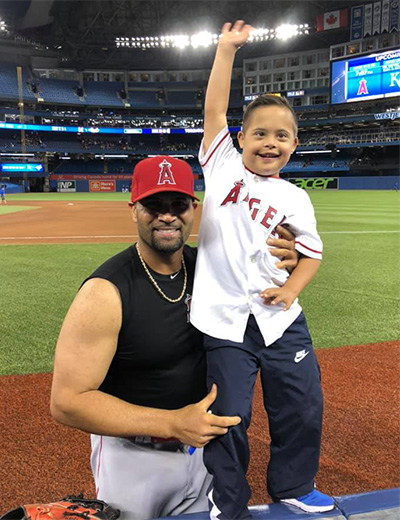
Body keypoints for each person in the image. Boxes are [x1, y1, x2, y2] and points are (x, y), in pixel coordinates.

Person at [50, 156, 299, 519]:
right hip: (133, 462)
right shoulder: (105, 292)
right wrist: (171, 423)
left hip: (206, 452)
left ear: (194, 208)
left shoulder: (215, 270)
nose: (167, 216)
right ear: (133, 209)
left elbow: (271, 309)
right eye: (154, 204)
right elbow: (66, 401)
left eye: (178, 204)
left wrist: (285, 267)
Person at [190, 21, 329, 518]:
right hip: (225, 321)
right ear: (240, 137)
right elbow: (213, 109)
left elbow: (311, 253)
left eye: (282, 136)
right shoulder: (221, 165)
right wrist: (226, 49)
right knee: (229, 416)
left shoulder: (295, 197)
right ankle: (228, 501)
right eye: (260, 133)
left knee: (301, 406)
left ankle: (293, 484)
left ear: (294, 144)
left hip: (280, 320)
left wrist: (292, 290)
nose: (270, 143)